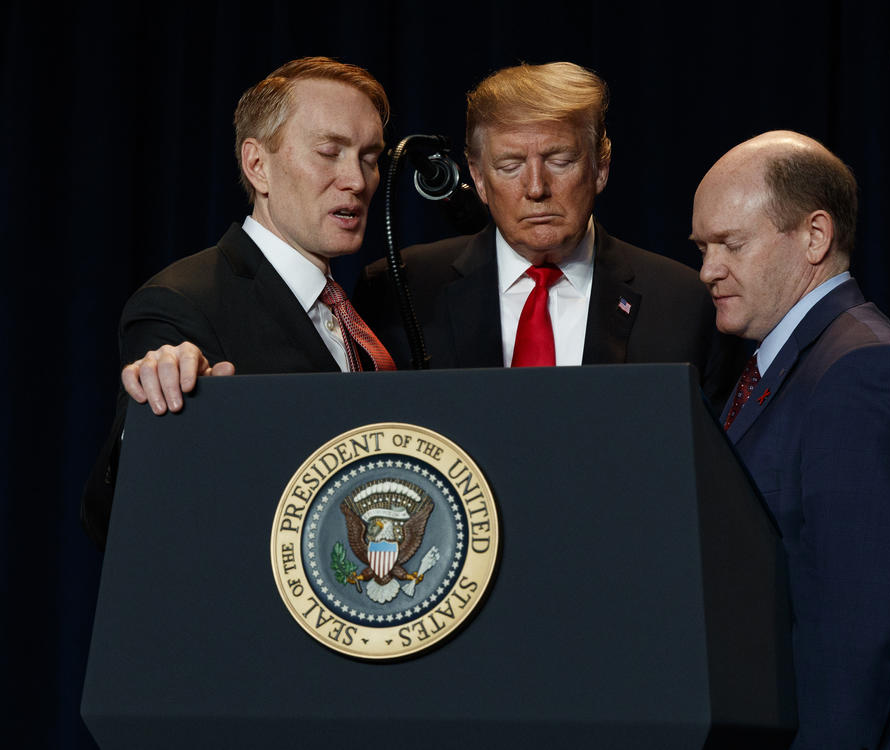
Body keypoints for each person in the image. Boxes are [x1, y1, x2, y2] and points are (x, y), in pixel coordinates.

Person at [691, 130, 890, 747]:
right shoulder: (796, 361)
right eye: (703, 247)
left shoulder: (863, 374)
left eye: (730, 244)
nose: (709, 270)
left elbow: (858, 634)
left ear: (814, 237)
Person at [82, 57, 395, 547]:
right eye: (330, 152)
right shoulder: (183, 302)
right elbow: (117, 515)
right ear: (258, 165)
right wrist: (154, 414)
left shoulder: (357, 310)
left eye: (370, 158)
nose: (356, 180)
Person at [353, 62, 742, 409]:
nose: (536, 188)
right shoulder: (400, 289)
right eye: (510, 166)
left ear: (600, 168)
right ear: (477, 177)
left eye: (560, 160)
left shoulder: (685, 304)